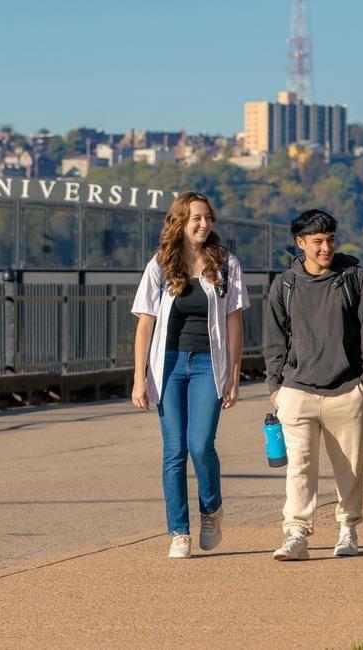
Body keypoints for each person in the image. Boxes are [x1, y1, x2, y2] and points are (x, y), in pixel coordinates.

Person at [131, 191, 250, 559]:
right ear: (180, 221)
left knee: (200, 446)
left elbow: (234, 323)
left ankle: (211, 510)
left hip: (206, 366)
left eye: (208, 218)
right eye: (196, 218)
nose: (203, 224)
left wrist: (233, 373)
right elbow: (144, 325)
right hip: (167, 366)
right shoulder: (160, 265)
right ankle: (179, 531)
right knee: (174, 451)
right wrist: (139, 377)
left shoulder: (226, 264)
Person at [263, 209, 363, 561]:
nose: (326, 248)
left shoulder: (355, 278)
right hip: (296, 389)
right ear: (301, 244)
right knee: (299, 465)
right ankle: (296, 533)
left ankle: (348, 529)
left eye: (330, 240)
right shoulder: (284, 284)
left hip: (346, 390)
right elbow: (273, 340)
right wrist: (276, 386)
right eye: (317, 242)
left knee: (350, 467)